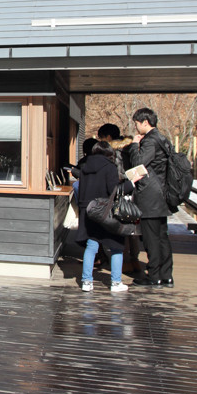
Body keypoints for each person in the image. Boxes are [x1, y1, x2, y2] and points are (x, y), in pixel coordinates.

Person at [126, 107, 174, 288]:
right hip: (162, 193)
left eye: (137, 124)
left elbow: (139, 163)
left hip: (150, 195)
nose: (136, 128)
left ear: (145, 122)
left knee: (151, 238)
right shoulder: (163, 139)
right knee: (162, 236)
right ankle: (166, 275)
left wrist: (133, 146)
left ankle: (154, 276)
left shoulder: (150, 141)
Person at [75, 141, 129, 292]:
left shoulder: (85, 168)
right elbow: (113, 190)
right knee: (116, 246)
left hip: (89, 210)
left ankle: (86, 281)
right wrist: (131, 184)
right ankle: (116, 283)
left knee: (91, 246)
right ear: (109, 154)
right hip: (106, 212)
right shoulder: (110, 168)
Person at [97, 123, 143, 275]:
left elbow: (115, 176)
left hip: (118, 193)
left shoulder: (112, 152)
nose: (100, 140)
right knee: (132, 229)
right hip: (132, 192)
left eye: (102, 137)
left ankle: (123, 262)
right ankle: (134, 260)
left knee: (118, 229)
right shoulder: (132, 148)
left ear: (109, 137)